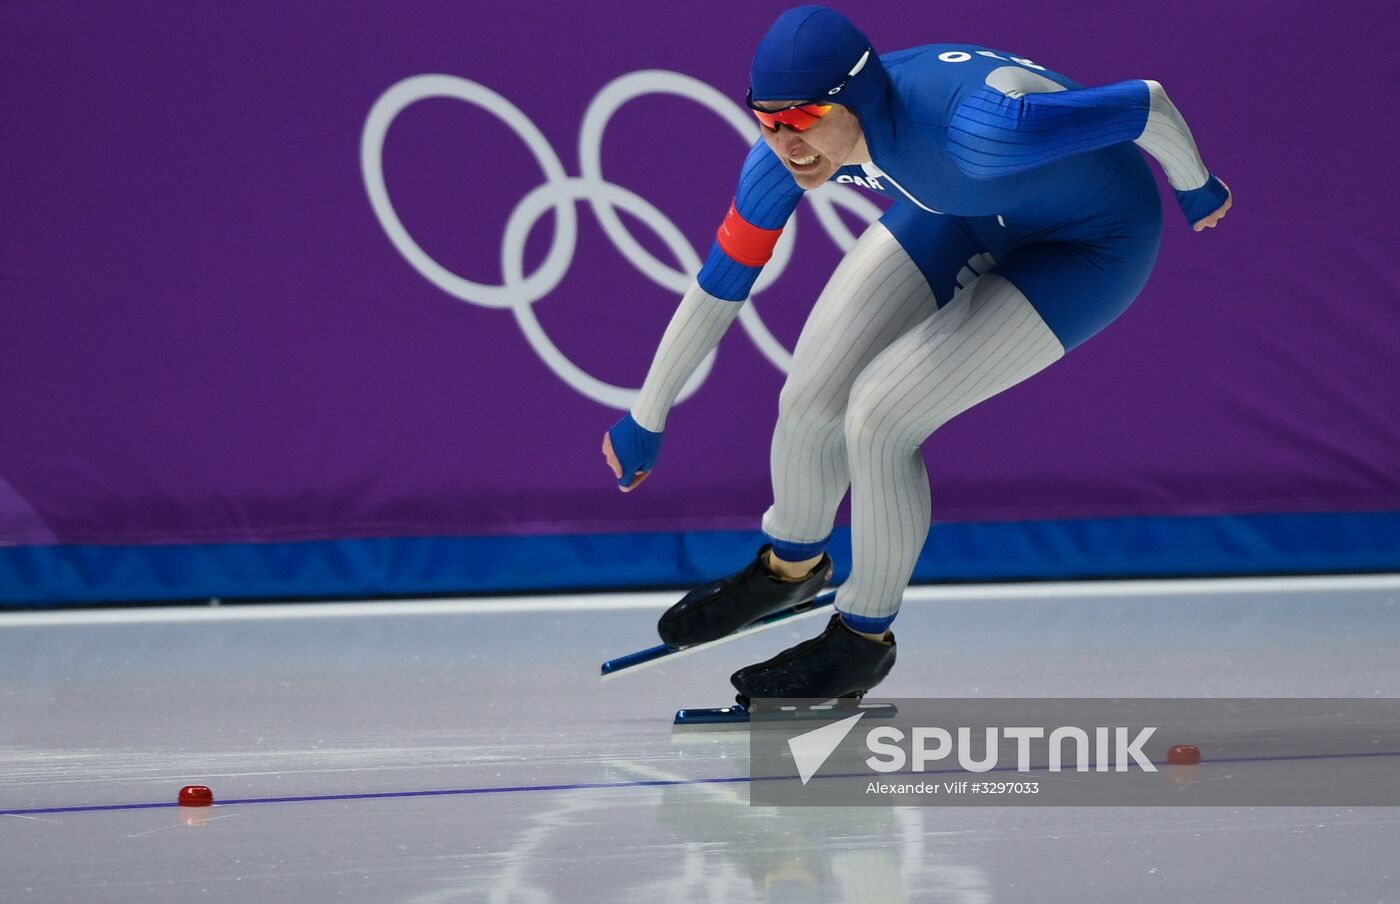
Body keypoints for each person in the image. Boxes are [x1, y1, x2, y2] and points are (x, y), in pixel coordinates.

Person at [602, 5, 1230, 702]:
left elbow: (1147, 103)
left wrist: (1197, 186)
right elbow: (718, 287)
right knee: (810, 398)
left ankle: (860, 641)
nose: (786, 143)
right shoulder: (780, 157)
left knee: (879, 417)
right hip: (955, 210)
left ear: (857, 102)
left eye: (804, 120)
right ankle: (789, 566)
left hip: (1088, 243)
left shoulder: (982, 132)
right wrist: (646, 415)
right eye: (767, 119)